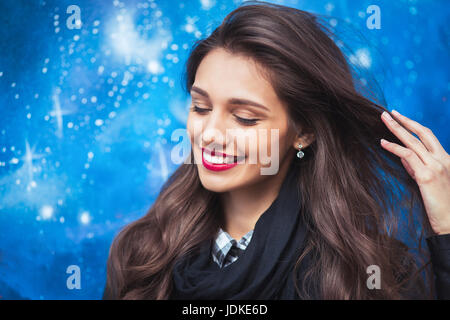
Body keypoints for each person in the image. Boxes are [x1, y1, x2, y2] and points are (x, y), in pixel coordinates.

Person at [102, 1, 450, 299]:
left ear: (305, 133)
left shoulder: (363, 270)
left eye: (245, 118)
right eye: (201, 108)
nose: (210, 134)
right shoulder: (144, 252)